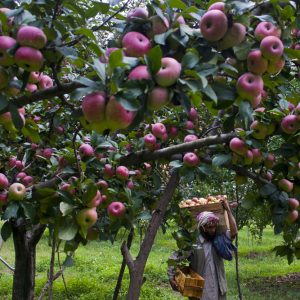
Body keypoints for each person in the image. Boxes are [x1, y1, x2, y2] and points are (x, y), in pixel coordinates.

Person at [168, 198, 238, 300]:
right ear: (201, 228)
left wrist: (228, 209)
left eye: (214, 227)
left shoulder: (218, 240)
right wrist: (171, 277)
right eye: (209, 228)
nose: (213, 230)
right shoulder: (192, 243)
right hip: (200, 291)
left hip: (218, 289)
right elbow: (174, 258)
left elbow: (234, 233)